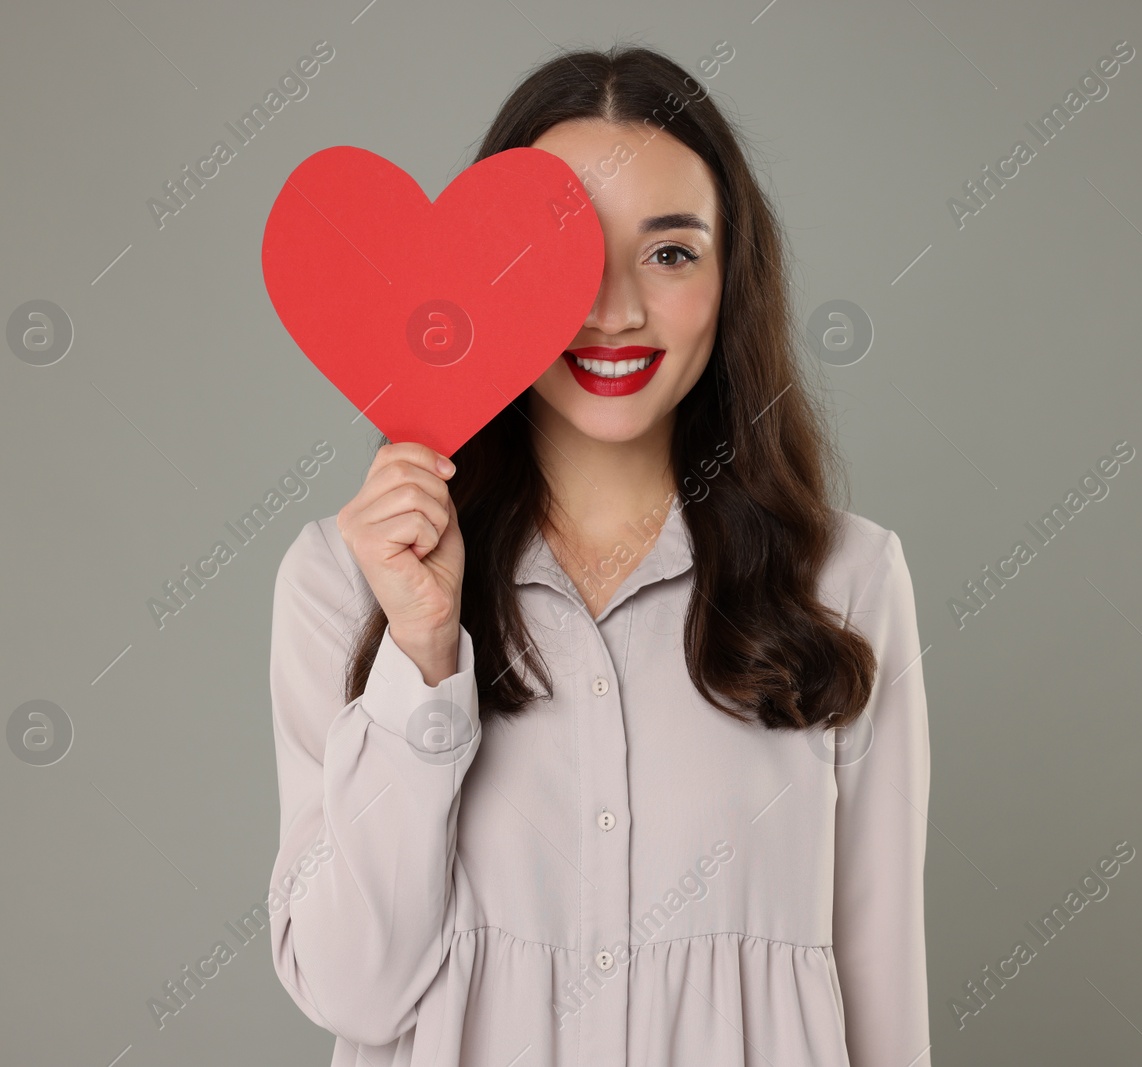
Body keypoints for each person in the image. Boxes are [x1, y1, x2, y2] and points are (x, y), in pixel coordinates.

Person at [266, 43, 931, 1067]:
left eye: (669, 252)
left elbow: (880, 986)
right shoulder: (343, 581)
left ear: (731, 277)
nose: (614, 309)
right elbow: (353, 986)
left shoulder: (847, 580)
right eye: (558, 255)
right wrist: (424, 655)